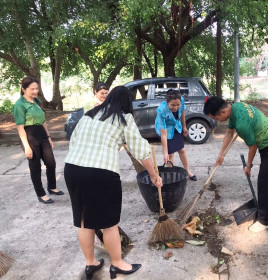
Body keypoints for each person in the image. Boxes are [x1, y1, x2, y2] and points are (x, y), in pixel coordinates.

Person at [64, 86, 162, 279]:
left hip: (73, 169)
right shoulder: (124, 118)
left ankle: (90, 263)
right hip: (100, 173)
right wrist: (153, 175)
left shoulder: (89, 115)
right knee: (109, 224)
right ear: (127, 102)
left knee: (84, 222)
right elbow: (142, 150)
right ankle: (117, 264)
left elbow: (73, 141)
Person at [204, 97, 268, 233]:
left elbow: (252, 147)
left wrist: (248, 166)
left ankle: (265, 220)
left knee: (265, 182)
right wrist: (221, 154)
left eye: (215, 118)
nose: (216, 121)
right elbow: (230, 133)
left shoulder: (242, 124)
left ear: (223, 112)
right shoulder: (236, 108)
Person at [13, 76, 64, 204]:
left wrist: (48, 137)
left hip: (42, 134)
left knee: (51, 162)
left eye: (36, 88)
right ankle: (40, 193)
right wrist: (27, 147)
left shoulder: (37, 101)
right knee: (35, 167)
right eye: (32, 89)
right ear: (24, 89)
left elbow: (43, 121)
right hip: (29, 135)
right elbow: (20, 128)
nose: (35, 91)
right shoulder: (19, 105)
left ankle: (52, 187)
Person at [155, 89, 197, 181]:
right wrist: (165, 153)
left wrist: (184, 126)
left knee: (182, 150)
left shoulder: (180, 100)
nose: (175, 107)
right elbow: (163, 134)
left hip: (176, 126)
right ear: (167, 102)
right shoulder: (161, 111)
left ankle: (187, 171)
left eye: (177, 105)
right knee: (170, 155)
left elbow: (182, 112)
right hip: (166, 130)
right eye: (172, 105)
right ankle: (172, 175)